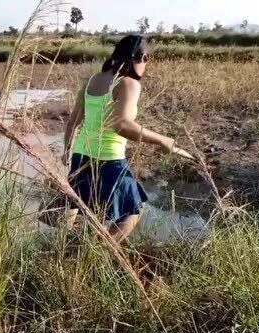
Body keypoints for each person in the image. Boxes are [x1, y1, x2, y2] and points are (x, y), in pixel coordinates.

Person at [62, 34, 195, 243]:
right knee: (133, 208)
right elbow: (122, 125)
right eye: (147, 59)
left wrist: (67, 150)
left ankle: (69, 248)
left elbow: (73, 122)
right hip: (109, 159)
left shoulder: (92, 81)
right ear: (142, 57)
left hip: (81, 156)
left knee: (83, 205)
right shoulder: (129, 83)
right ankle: (100, 251)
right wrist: (163, 140)